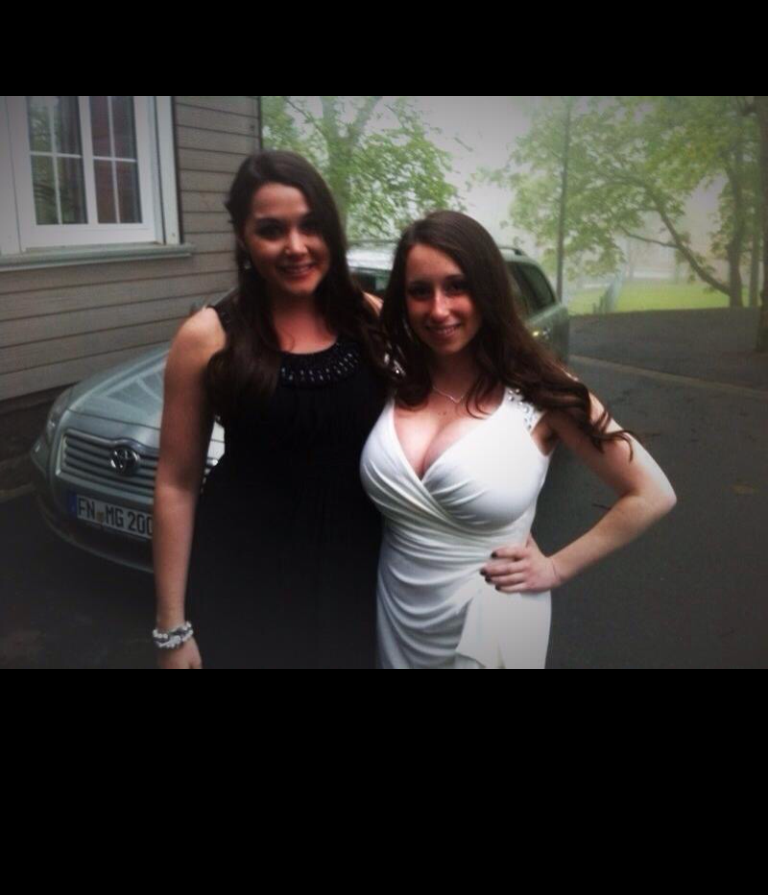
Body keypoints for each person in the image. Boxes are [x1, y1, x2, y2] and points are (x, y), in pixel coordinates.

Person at [360, 211, 677, 669]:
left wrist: (556, 568)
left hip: (491, 624)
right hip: (397, 619)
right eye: (419, 291)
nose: (438, 309)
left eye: (457, 286)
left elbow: (651, 493)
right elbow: (334, 290)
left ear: (488, 289)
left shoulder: (542, 391)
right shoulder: (393, 372)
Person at [152, 151, 389, 669]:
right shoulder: (207, 337)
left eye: (311, 226)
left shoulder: (371, 321)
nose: (296, 247)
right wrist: (172, 627)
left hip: (355, 573)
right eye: (271, 230)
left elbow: (452, 412)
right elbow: (176, 483)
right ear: (243, 237)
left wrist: (504, 520)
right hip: (243, 579)